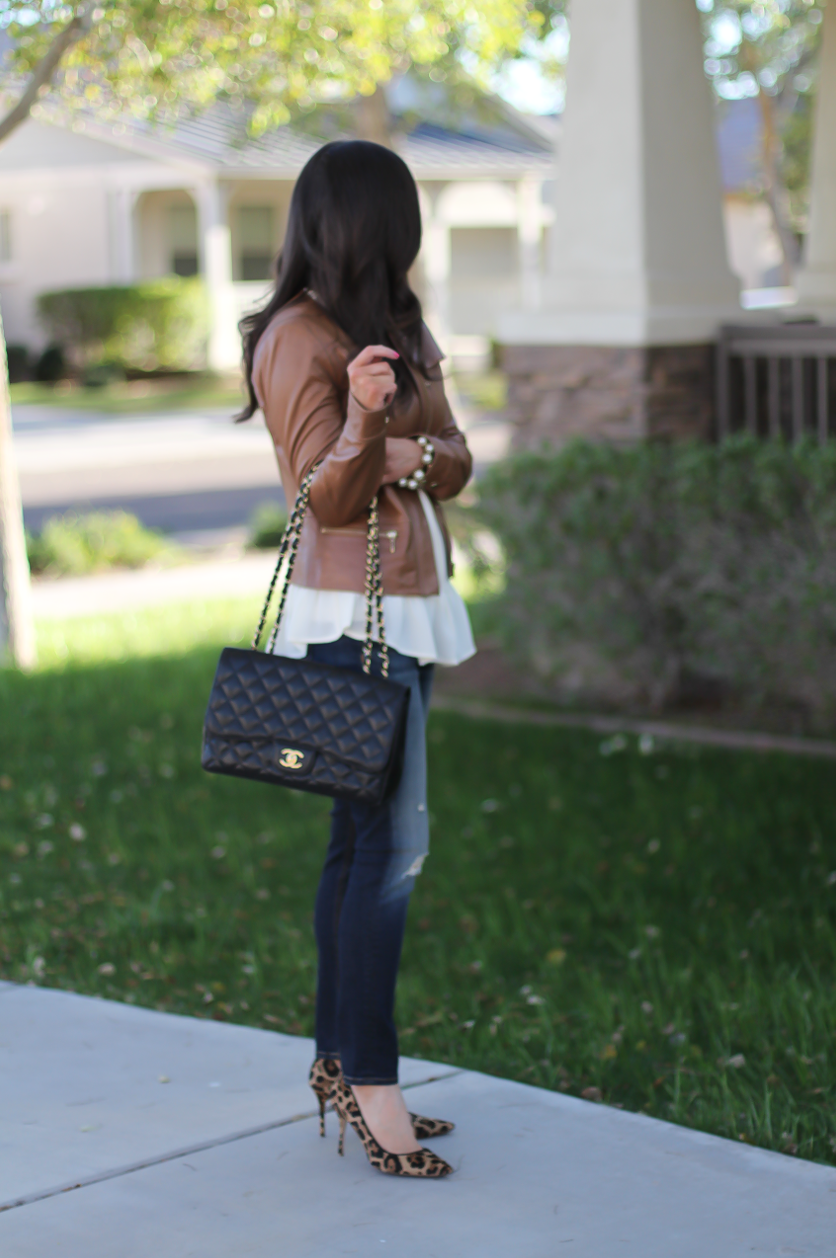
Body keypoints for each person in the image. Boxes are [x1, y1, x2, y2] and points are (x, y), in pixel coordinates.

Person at [237, 139, 475, 1179]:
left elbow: (457, 459)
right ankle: (371, 1078)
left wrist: (404, 446)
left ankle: (341, 1061)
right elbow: (321, 498)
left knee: (359, 844)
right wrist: (373, 421)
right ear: (370, 224)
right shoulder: (298, 336)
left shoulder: (397, 327)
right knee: (391, 852)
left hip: (410, 608)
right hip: (350, 617)